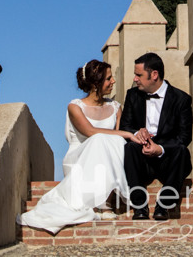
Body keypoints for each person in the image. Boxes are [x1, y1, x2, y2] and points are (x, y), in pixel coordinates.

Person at [17, 60, 138, 234]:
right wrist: (127, 133)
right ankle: (103, 205)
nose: (113, 82)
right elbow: (90, 132)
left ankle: (105, 200)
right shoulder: (75, 106)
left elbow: (117, 142)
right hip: (79, 156)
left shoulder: (116, 107)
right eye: (108, 79)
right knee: (99, 140)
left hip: (105, 157)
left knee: (112, 142)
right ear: (96, 83)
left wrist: (123, 136)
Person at [119, 52, 193, 221]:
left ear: (154, 75)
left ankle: (164, 205)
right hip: (141, 159)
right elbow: (125, 126)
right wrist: (138, 133)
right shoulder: (132, 95)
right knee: (129, 148)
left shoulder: (181, 99)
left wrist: (160, 149)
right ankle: (139, 206)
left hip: (167, 160)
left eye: (139, 75)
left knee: (182, 151)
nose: (135, 79)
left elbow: (184, 136)